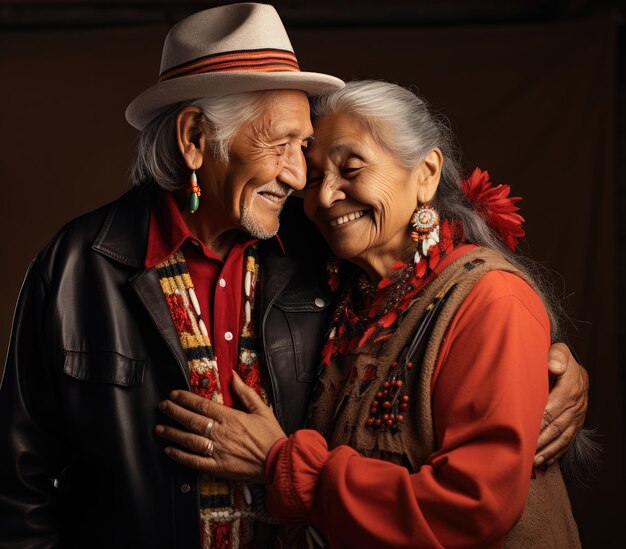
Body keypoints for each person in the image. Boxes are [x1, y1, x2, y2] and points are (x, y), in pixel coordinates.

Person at [0, 4, 585, 548]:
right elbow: (17, 483)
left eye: (304, 146)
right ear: (196, 140)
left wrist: (553, 364)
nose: (303, 177)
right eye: (283, 145)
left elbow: (454, 305)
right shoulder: (78, 265)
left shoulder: (313, 245)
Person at [155, 81, 585, 548]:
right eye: (315, 177)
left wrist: (279, 463)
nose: (322, 199)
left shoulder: (491, 299)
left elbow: (474, 506)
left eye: (352, 168)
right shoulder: (340, 289)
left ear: (426, 172)